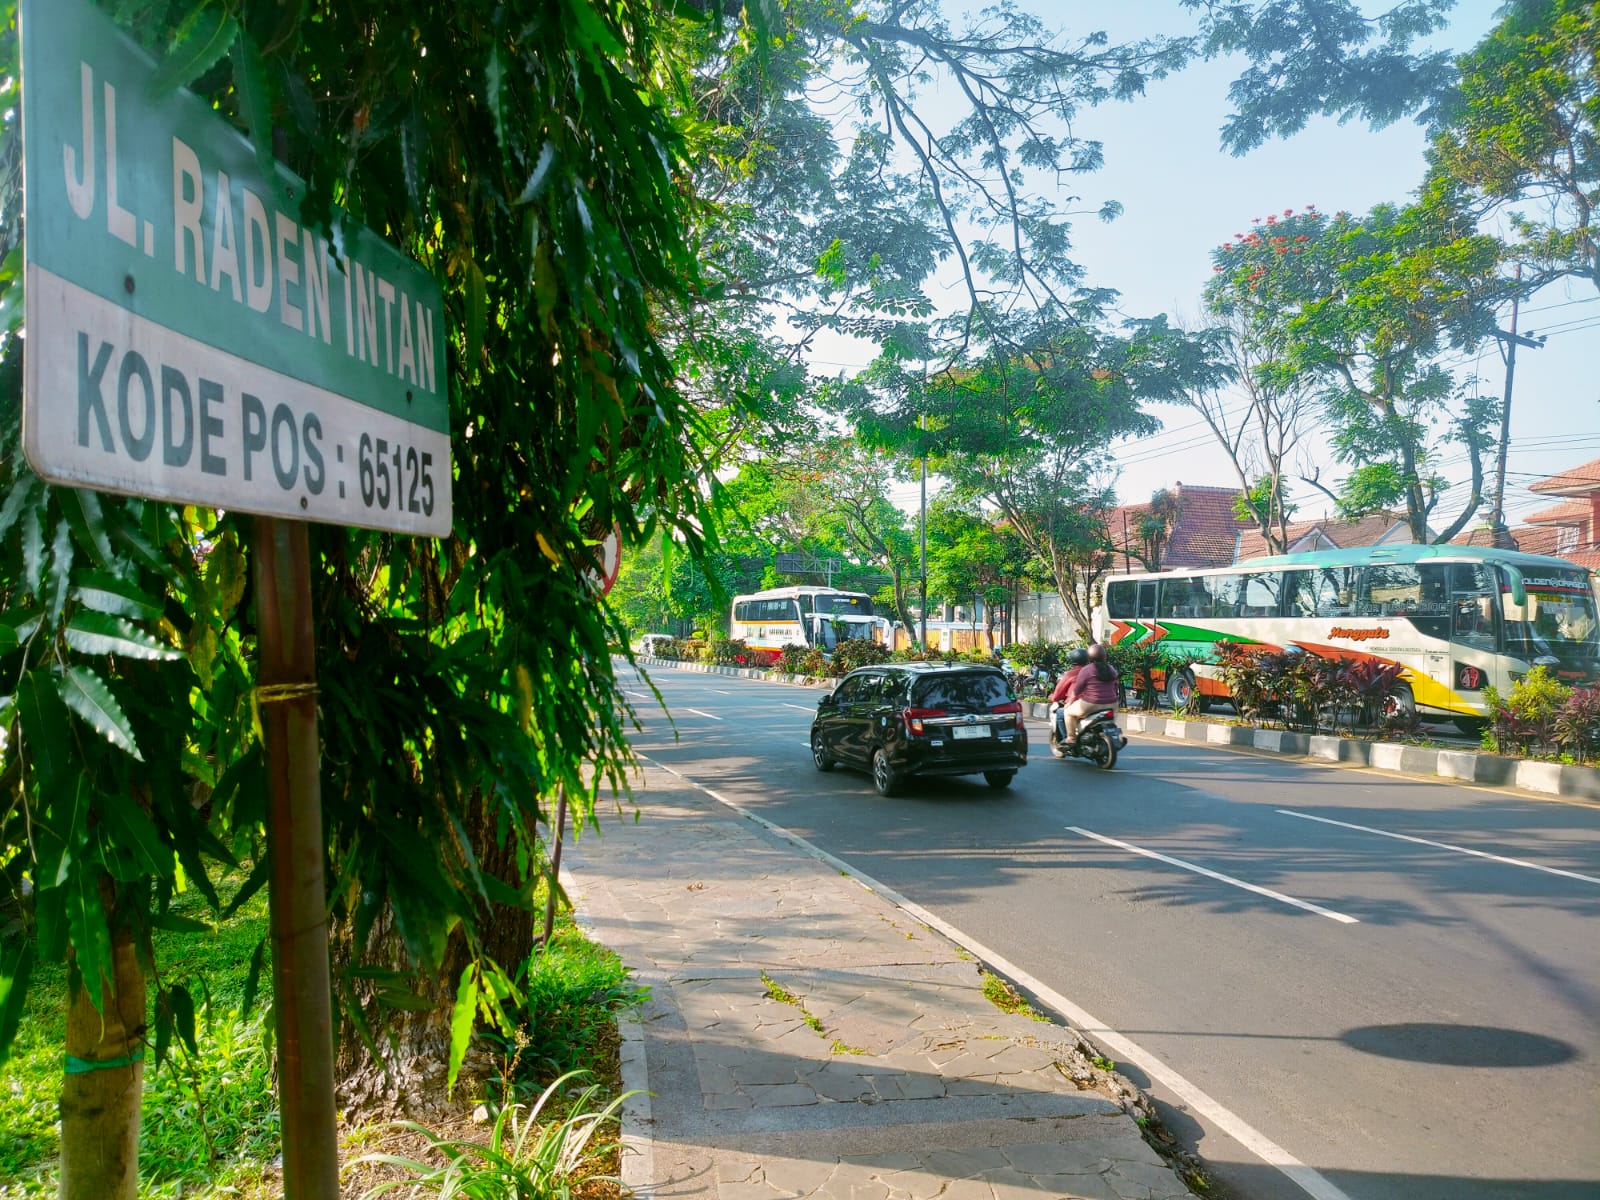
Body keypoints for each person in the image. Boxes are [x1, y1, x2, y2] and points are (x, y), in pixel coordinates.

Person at [1063, 642, 1119, 743]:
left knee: (1068, 712)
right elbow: (1115, 686)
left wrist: (1069, 702)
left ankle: (1071, 738)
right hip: (1112, 704)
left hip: (1091, 704)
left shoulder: (1087, 669)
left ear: (1089, 657)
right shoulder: (1111, 669)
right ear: (1104, 656)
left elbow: (1077, 689)